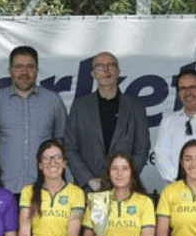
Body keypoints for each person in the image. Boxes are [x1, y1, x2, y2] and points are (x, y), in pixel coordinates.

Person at [65, 52, 151, 191]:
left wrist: (124, 179)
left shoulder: (135, 107)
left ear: (118, 72)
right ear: (93, 73)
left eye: (111, 66)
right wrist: (89, 180)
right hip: (89, 189)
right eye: (100, 67)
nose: (106, 70)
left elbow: (142, 148)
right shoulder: (80, 106)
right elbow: (70, 148)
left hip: (124, 189)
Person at [0, 46, 67, 196]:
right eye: (18, 67)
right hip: (4, 188)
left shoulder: (53, 101)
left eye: (30, 67)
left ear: (37, 70)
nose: (24, 72)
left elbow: (62, 143)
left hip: (45, 188)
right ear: (10, 71)